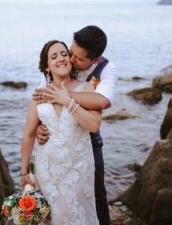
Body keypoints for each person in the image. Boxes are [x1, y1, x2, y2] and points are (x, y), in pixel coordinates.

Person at [34, 25, 117, 225]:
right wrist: (39, 126)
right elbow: (43, 97)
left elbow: (102, 101)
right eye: (71, 52)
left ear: (94, 60)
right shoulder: (63, 60)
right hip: (58, 145)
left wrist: (63, 96)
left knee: (95, 196)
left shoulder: (106, 70)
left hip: (88, 141)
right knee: (56, 202)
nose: (70, 60)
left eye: (78, 59)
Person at [21, 40, 101, 224]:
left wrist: (67, 100)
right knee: (52, 217)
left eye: (64, 54)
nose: (61, 59)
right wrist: (24, 173)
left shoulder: (87, 88)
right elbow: (29, 134)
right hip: (47, 170)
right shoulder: (40, 95)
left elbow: (94, 125)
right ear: (46, 67)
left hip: (78, 169)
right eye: (54, 56)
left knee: (76, 215)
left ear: (71, 60)